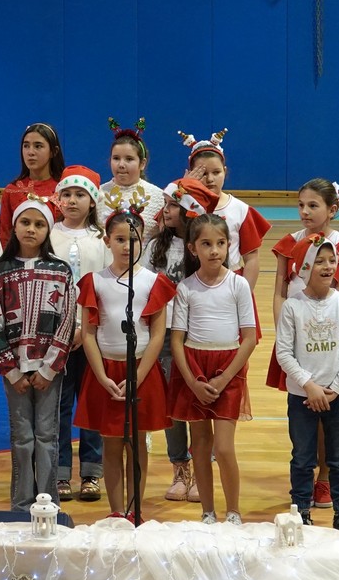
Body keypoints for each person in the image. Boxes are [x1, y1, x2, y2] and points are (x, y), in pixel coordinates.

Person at [266, 178, 339, 509]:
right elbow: (280, 293)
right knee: (304, 410)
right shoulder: (289, 243)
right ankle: (304, 482)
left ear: (332, 209)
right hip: (296, 341)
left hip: (328, 343)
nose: (305, 211)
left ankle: (325, 477)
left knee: (330, 416)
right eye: (301, 205)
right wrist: (285, 334)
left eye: (313, 205)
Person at [76, 204, 177, 520]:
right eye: (119, 239)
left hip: (141, 371)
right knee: (111, 444)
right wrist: (101, 376)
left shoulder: (153, 281)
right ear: (107, 241)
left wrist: (138, 376)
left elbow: (157, 335)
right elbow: (88, 334)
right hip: (106, 371)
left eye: (133, 240)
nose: (126, 246)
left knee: (136, 444)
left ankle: (135, 510)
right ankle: (116, 511)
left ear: (142, 241)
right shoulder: (95, 281)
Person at [0, 196, 75, 512]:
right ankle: (22, 503)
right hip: (15, 371)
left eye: (39, 224)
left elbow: (67, 320)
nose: (31, 229)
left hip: (48, 371)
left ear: (47, 230)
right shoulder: (0, 272)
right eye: (25, 222)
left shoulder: (60, 271)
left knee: (47, 435)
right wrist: (11, 370)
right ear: (14, 226)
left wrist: (49, 368)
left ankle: (48, 501)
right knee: (22, 437)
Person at [169, 214, 257, 525]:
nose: (214, 250)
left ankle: (233, 511)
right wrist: (193, 382)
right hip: (195, 367)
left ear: (229, 245)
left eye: (220, 243)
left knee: (223, 447)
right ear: (193, 248)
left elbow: (249, 339)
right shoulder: (186, 288)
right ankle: (208, 511)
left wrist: (224, 378)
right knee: (200, 446)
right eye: (206, 244)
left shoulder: (238, 284)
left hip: (228, 369)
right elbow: (177, 341)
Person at [275, 235, 339, 530]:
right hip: (302, 397)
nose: (328, 267)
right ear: (305, 267)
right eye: (320, 261)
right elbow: (284, 353)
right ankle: (300, 512)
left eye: (332, 261)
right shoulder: (292, 307)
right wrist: (309, 386)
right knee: (302, 458)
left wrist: (336, 389)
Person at [146, 178, 218, 502]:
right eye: (166, 204)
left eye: (174, 205)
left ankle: (203, 468)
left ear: (190, 211)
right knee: (171, 403)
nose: (166, 210)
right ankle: (179, 468)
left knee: (200, 399)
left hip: (198, 333)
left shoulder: (203, 247)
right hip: (163, 333)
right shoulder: (155, 247)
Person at [50, 165, 109, 503]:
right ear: (58, 199)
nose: (72, 200)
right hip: (56, 337)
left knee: (91, 404)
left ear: (93, 200)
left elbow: (105, 287)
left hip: (92, 336)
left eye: (80, 194)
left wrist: (86, 328)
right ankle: (59, 473)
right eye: (67, 194)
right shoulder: (49, 235)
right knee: (59, 406)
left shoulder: (101, 240)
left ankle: (91, 472)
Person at [178, 128, 271, 291]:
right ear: (191, 173)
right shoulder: (182, 206)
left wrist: (244, 294)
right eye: (203, 173)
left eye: (216, 172)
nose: (210, 179)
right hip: (190, 284)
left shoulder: (240, 210)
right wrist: (182, 190)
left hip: (230, 286)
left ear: (225, 171)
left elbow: (251, 259)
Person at [0, 123, 65, 247]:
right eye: (26, 146)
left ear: (53, 151)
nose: (30, 152)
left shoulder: (64, 189)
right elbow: (5, 237)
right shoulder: (12, 191)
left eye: (38, 146)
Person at [100, 119, 164, 243]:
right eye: (116, 158)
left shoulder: (159, 197)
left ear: (142, 163)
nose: (121, 165)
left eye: (129, 159)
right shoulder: (98, 194)